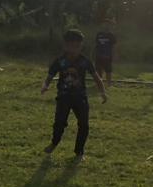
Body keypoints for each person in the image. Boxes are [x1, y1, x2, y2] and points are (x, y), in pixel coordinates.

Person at [40, 29, 108, 161]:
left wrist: (103, 92)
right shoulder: (60, 61)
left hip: (80, 98)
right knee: (59, 123)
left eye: (77, 46)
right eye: (70, 45)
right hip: (63, 97)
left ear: (81, 46)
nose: (73, 49)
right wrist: (45, 85)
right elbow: (50, 76)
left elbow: (96, 78)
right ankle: (54, 143)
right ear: (65, 45)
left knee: (84, 125)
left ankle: (79, 152)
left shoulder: (85, 61)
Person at [93, 22, 118, 86]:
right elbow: (96, 45)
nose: (106, 26)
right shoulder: (99, 34)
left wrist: (115, 55)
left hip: (107, 56)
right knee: (98, 70)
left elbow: (114, 46)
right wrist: (94, 53)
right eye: (105, 24)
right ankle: (99, 83)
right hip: (98, 56)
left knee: (108, 71)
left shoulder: (111, 35)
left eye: (108, 24)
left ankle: (109, 84)